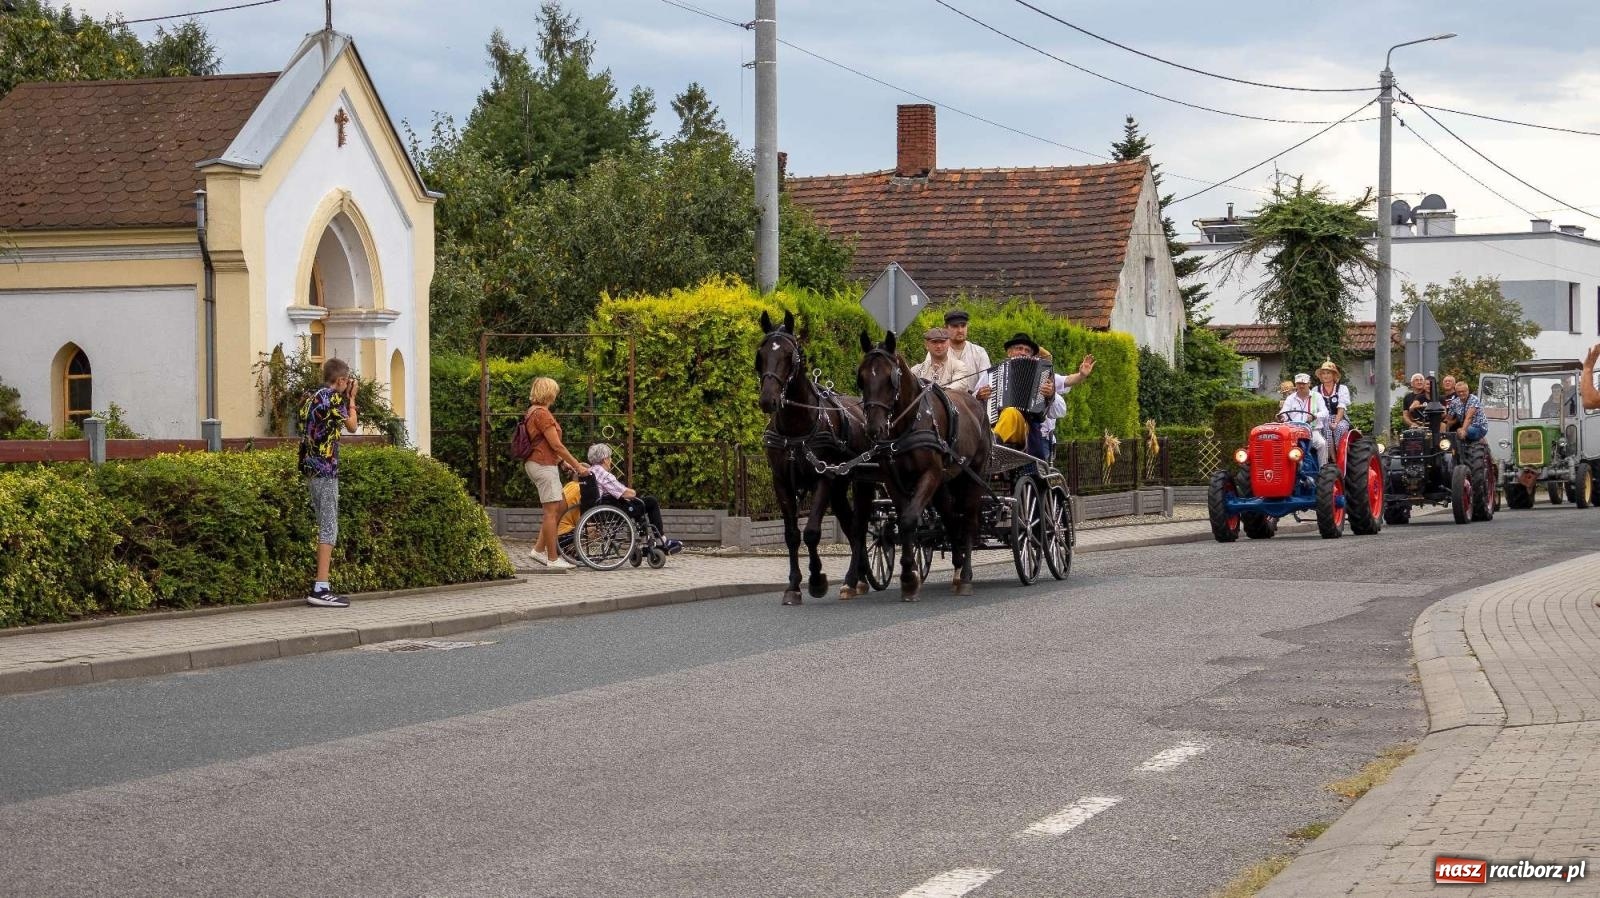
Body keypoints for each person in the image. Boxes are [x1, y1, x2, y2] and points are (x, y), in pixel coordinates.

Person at [299, 357, 359, 608]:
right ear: (341, 380)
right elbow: (352, 426)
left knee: (325, 523)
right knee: (329, 526)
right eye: (347, 381)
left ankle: (321, 586)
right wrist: (352, 400)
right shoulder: (334, 399)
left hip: (310, 469)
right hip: (326, 470)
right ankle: (321, 588)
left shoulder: (312, 397)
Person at [524, 377, 589, 570]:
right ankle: (552, 559)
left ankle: (538, 550)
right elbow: (556, 445)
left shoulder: (532, 411)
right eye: (555, 391)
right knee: (551, 513)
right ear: (549, 392)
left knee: (559, 507)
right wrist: (577, 466)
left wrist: (561, 463)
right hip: (543, 465)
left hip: (540, 462)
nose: (556, 395)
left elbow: (545, 444)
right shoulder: (542, 413)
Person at [586, 444, 684, 555]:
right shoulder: (603, 474)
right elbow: (626, 493)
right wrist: (633, 492)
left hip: (597, 509)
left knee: (636, 505)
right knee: (650, 501)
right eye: (610, 457)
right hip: (611, 511)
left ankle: (645, 542)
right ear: (605, 459)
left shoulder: (589, 472)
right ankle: (661, 541)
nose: (611, 460)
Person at [1035, 346, 1094, 461]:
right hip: (1020, 436)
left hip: (1042, 437)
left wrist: (1081, 375)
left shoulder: (1049, 377)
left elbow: (1067, 380)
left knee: (1038, 466)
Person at [1280, 373, 1330, 465]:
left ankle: (1323, 468)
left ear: (1309, 384)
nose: (1301, 386)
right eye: (1299, 383)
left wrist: (1315, 416)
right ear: (1296, 385)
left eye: (1304, 383)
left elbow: (1325, 412)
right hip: (1293, 432)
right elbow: (1284, 412)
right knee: (1281, 445)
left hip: (1311, 431)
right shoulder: (1290, 398)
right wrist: (1282, 416)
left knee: (1322, 444)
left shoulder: (1317, 396)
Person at [943, 309, 993, 399]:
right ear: (946, 328)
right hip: (946, 405)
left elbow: (986, 382)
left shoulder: (979, 352)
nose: (960, 330)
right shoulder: (937, 353)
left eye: (963, 326)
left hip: (975, 405)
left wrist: (979, 394)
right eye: (955, 326)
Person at [910, 327, 977, 390]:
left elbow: (960, 385)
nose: (939, 346)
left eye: (942, 342)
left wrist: (940, 391)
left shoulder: (959, 366)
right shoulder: (916, 370)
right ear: (926, 345)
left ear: (948, 344)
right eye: (934, 342)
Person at [1315, 360, 1351, 448]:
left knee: (1340, 428)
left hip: (1339, 418)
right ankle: (1329, 455)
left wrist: (1335, 423)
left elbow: (1341, 408)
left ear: (1334, 375)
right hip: (1323, 419)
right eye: (1323, 373)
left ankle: (1340, 452)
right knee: (1325, 428)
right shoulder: (1316, 390)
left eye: (1328, 373)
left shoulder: (1342, 388)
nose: (1325, 375)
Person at [1448, 379, 1487, 444]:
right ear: (1456, 392)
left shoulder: (1474, 399)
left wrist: (1463, 430)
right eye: (1459, 392)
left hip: (1478, 427)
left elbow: (1469, 418)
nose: (1461, 393)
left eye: (1463, 391)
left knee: (1461, 431)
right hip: (1465, 426)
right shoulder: (1454, 402)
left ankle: (1480, 439)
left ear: (1468, 391)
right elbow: (1449, 418)